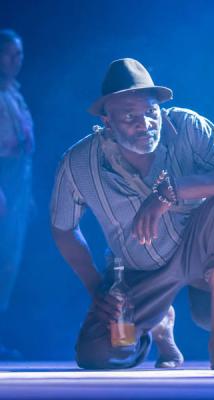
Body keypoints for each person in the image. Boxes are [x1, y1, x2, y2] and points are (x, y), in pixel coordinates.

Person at [50, 58, 214, 370]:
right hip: (139, 273)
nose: (145, 124)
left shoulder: (187, 127)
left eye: (150, 112)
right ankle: (160, 325)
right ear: (107, 121)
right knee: (100, 354)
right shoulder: (80, 163)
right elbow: (63, 229)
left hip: (203, 258)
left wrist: (172, 191)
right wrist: (97, 290)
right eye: (129, 116)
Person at [0, 29, 34, 359]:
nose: (16, 60)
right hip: (3, 177)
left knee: (9, 261)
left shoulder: (15, 93)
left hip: (18, 181)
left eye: (19, 54)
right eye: (9, 53)